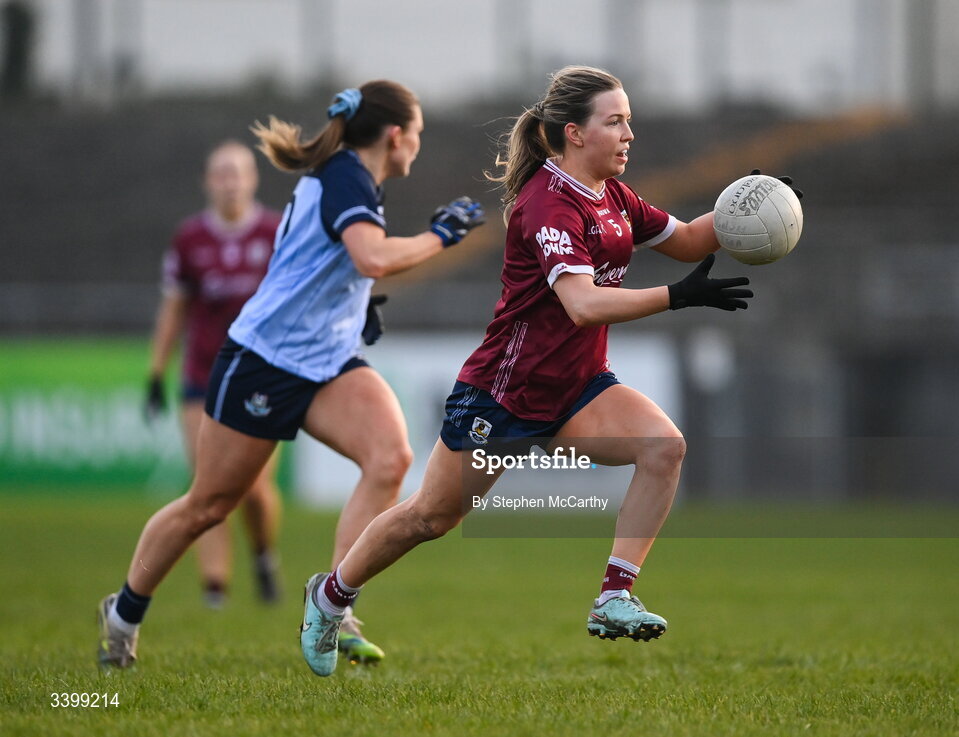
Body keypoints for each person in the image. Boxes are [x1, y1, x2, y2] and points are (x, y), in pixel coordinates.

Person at [296, 65, 801, 678]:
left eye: (629, 122)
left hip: (576, 393)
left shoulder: (613, 196)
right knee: (430, 518)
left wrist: (752, 204)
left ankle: (614, 595)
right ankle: (329, 598)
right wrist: (676, 297)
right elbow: (583, 305)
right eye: (615, 122)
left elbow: (692, 240)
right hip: (501, 397)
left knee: (664, 447)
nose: (628, 134)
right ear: (573, 133)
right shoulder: (546, 202)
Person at [96, 80, 486, 670]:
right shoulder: (347, 176)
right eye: (420, 135)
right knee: (209, 505)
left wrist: (356, 306)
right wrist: (439, 236)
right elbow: (372, 257)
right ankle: (122, 616)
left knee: (390, 458)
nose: (419, 146)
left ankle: (332, 604)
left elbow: (331, 264)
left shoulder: (352, 178)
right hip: (264, 362)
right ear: (396, 135)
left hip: (326, 362)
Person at [144, 140, 283, 609]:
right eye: (220, 173)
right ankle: (215, 590)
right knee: (208, 485)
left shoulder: (275, 230)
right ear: (208, 181)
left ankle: (263, 555)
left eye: (237, 172)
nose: (229, 182)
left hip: (264, 375)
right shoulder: (189, 240)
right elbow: (174, 309)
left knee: (256, 490)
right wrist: (155, 372)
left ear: (253, 179)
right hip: (202, 375)